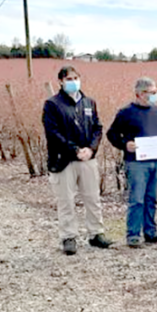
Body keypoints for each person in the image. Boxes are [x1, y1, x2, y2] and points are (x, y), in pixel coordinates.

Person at [42, 66, 112, 255]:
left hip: (87, 159)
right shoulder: (52, 104)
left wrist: (91, 148)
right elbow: (53, 133)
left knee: (92, 198)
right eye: (69, 79)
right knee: (66, 200)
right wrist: (74, 150)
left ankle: (96, 233)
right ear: (61, 82)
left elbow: (98, 127)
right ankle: (68, 237)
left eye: (76, 78)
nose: (73, 81)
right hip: (64, 160)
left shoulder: (89, 102)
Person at [107, 77, 157, 249]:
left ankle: (150, 232)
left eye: (155, 92)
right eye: (151, 92)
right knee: (137, 199)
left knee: (152, 198)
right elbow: (112, 134)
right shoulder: (126, 113)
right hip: (136, 163)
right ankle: (133, 234)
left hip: (156, 162)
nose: (154, 95)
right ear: (140, 93)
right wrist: (125, 145)